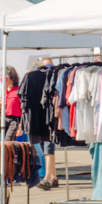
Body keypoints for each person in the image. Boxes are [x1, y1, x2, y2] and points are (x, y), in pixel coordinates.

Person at [37, 58, 59, 190]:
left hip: (51, 119)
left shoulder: (56, 79)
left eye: (50, 66)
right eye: (45, 67)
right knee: (46, 151)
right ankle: (53, 177)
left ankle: (46, 179)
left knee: (49, 150)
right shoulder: (39, 81)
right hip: (41, 120)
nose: (47, 69)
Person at [0, 66, 22, 142]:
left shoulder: (19, 90)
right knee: (3, 144)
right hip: (3, 119)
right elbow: (1, 105)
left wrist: (20, 126)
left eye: (4, 75)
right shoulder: (4, 90)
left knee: (7, 143)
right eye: (1, 75)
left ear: (11, 76)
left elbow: (23, 109)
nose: (2, 77)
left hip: (13, 120)